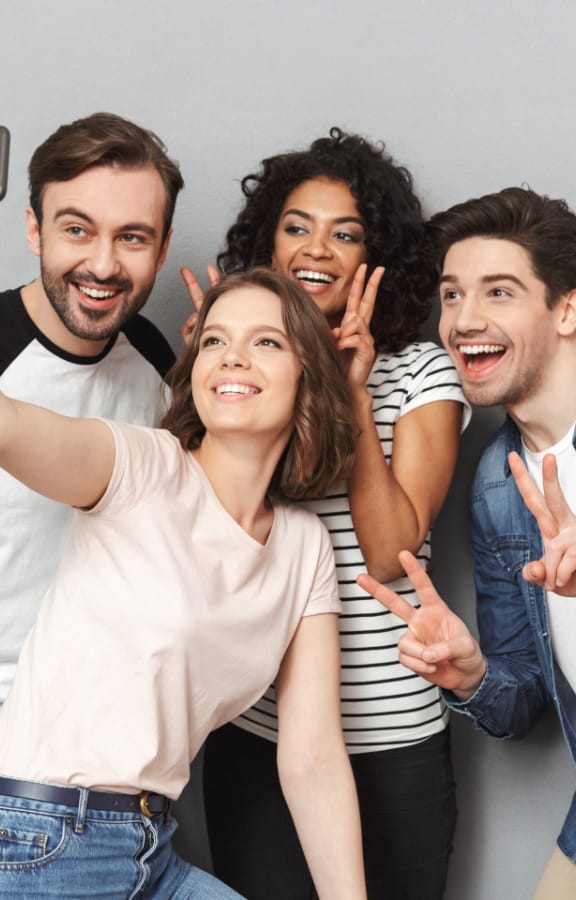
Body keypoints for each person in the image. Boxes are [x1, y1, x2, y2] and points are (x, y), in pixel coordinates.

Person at [0, 268, 367, 899]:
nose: (232, 357)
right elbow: (9, 428)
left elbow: (312, 758)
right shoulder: (142, 467)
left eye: (266, 342)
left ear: (309, 373)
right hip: (37, 839)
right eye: (215, 340)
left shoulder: (304, 546)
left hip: (150, 850)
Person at [183, 128, 470, 900]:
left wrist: (352, 395)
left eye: (346, 233)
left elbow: (389, 553)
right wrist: (208, 388)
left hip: (394, 742)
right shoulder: (248, 370)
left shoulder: (420, 372)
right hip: (260, 736)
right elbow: (200, 545)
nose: (317, 249)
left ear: (379, 256)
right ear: (268, 245)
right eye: (297, 227)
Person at [361, 186, 576, 900]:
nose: (464, 321)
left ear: (567, 309)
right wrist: (472, 675)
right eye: (452, 295)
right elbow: (522, 704)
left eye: (499, 292)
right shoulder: (496, 484)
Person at [0, 111, 183, 707]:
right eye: (77, 230)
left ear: (162, 249)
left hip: (105, 721)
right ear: (35, 230)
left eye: (132, 237)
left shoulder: (157, 359)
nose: (103, 266)